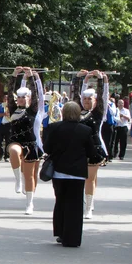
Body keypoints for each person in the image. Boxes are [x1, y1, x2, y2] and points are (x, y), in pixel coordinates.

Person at [44, 101, 96, 248]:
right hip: (77, 173)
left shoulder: (54, 127)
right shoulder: (85, 130)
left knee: (60, 201)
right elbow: (91, 152)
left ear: (64, 113)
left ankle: (60, 232)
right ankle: (72, 238)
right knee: (75, 205)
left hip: (59, 172)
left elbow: (47, 148)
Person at [71, 70, 109, 219]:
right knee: (82, 178)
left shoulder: (99, 112)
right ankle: (87, 200)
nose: (86, 102)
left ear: (94, 100)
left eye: (89, 99)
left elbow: (103, 97)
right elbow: (75, 97)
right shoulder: (77, 111)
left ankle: (88, 207)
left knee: (89, 178)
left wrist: (101, 80)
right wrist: (82, 79)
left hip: (94, 148)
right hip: (78, 148)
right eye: (85, 99)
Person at [7, 67, 45, 215]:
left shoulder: (33, 110)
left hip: (31, 144)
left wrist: (32, 77)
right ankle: (18, 180)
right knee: (14, 152)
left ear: (28, 99)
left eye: (24, 97)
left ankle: (30, 203)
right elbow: (10, 92)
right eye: (19, 97)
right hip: (15, 141)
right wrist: (14, 75)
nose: (21, 99)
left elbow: (37, 94)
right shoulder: (13, 108)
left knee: (30, 176)